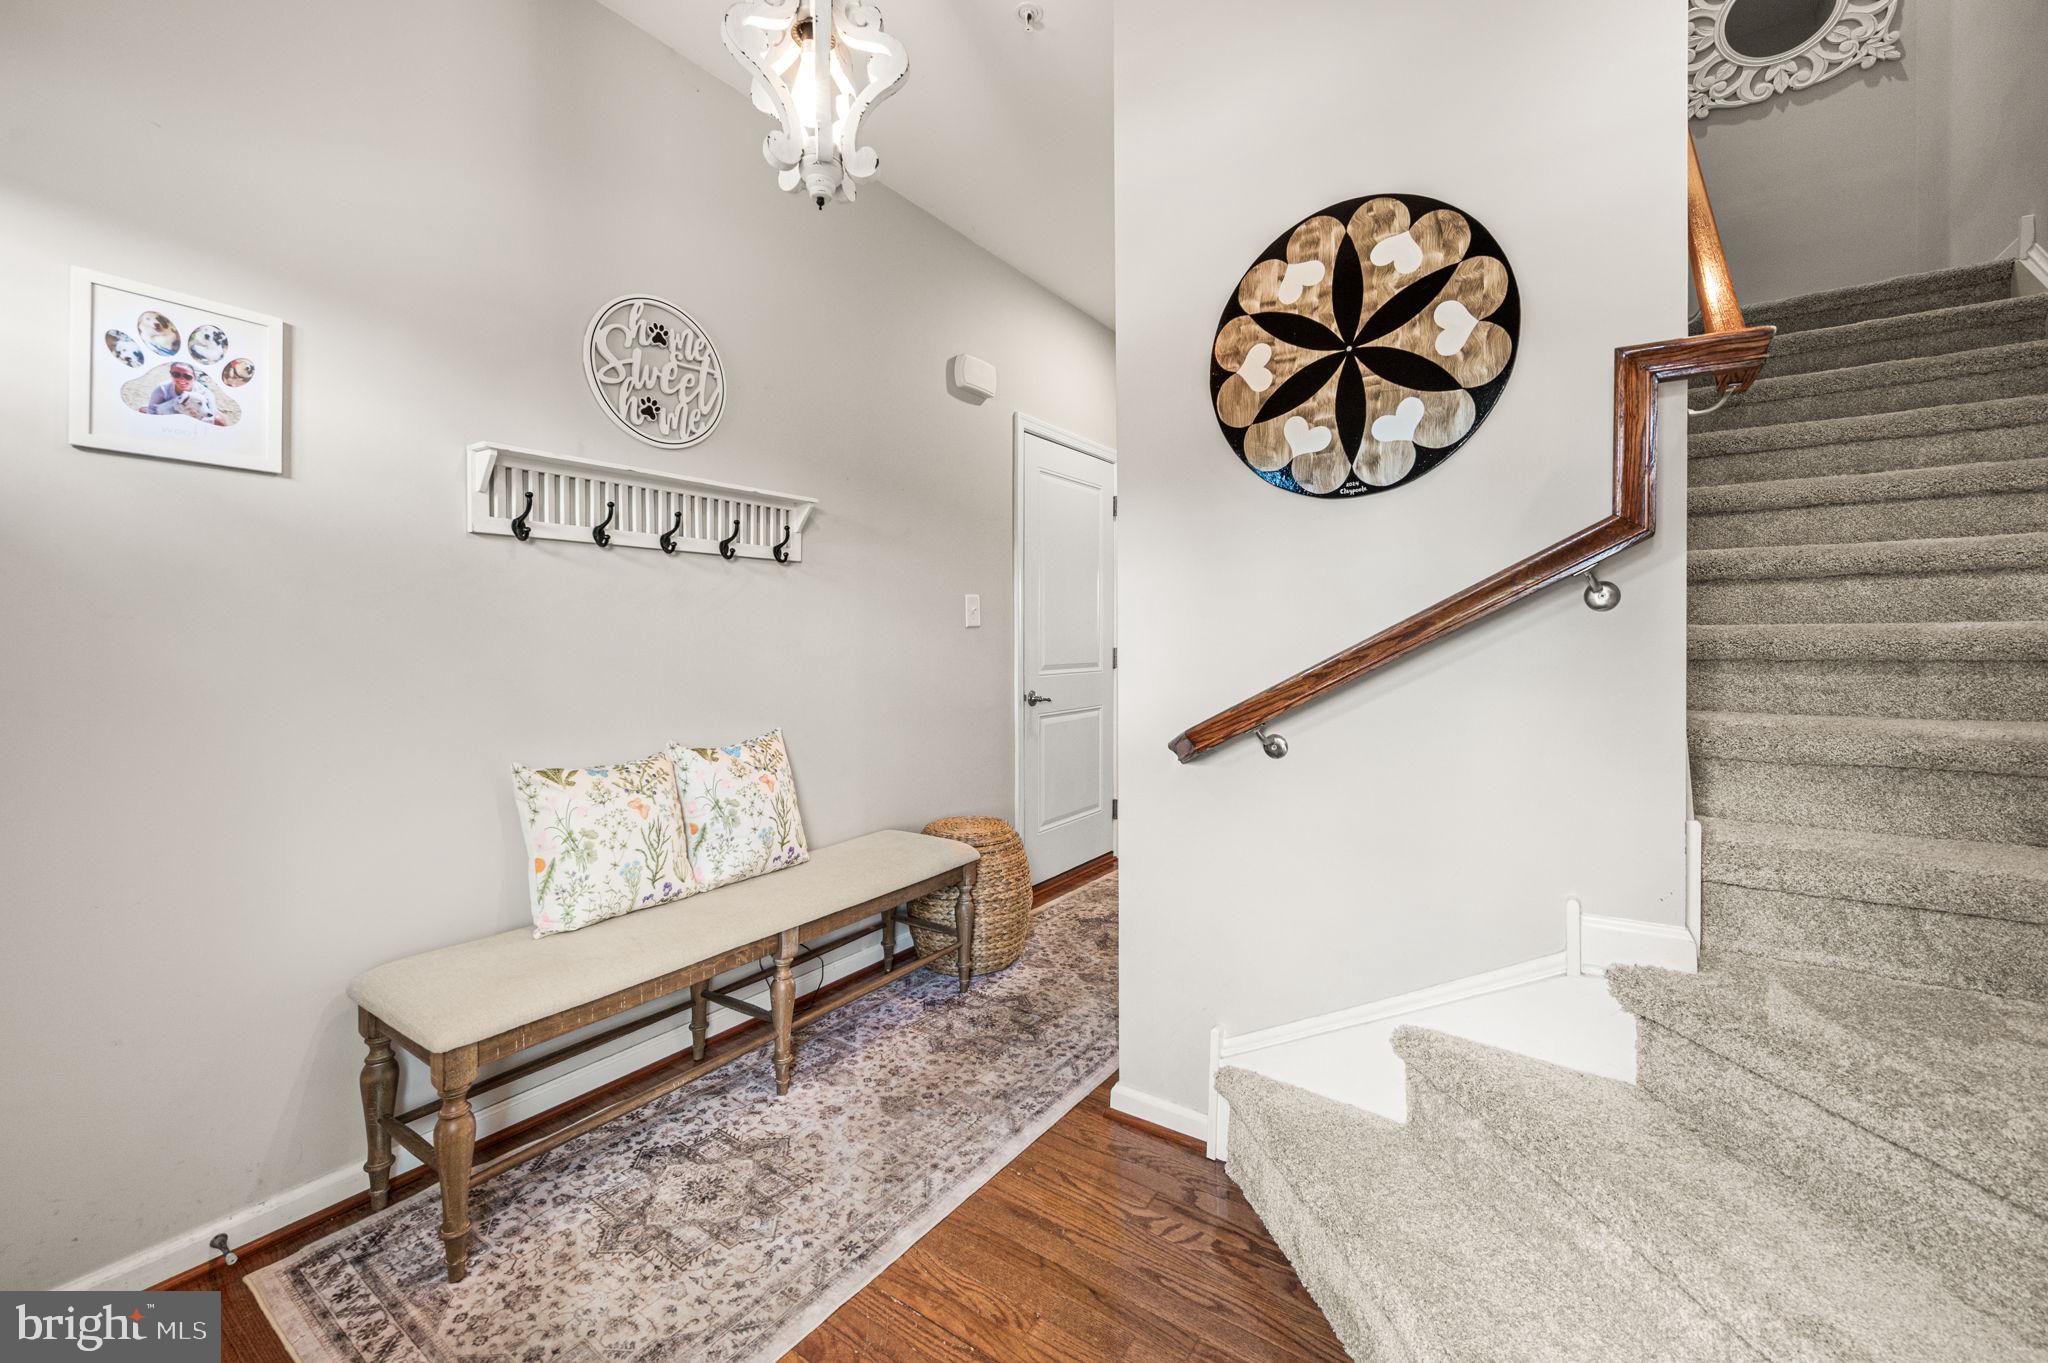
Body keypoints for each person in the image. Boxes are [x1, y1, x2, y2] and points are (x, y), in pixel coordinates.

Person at [144, 362, 226, 425]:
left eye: (187, 376)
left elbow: (210, 418)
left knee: (220, 420)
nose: (182, 379)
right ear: (171, 375)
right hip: (168, 416)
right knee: (142, 410)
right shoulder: (162, 388)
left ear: (195, 377)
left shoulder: (205, 393)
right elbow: (152, 410)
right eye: (176, 374)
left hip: (195, 421)